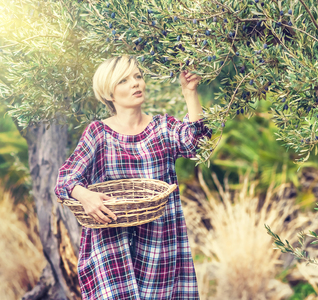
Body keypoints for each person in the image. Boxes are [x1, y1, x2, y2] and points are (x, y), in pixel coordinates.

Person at [54, 54, 212, 299]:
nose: (135, 83)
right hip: (110, 248)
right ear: (109, 93)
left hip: (159, 248)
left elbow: (197, 144)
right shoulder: (98, 133)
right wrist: (85, 196)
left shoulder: (162, 127)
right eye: (124, 81)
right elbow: (65, 179)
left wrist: (190, 92)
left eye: (138, 77)